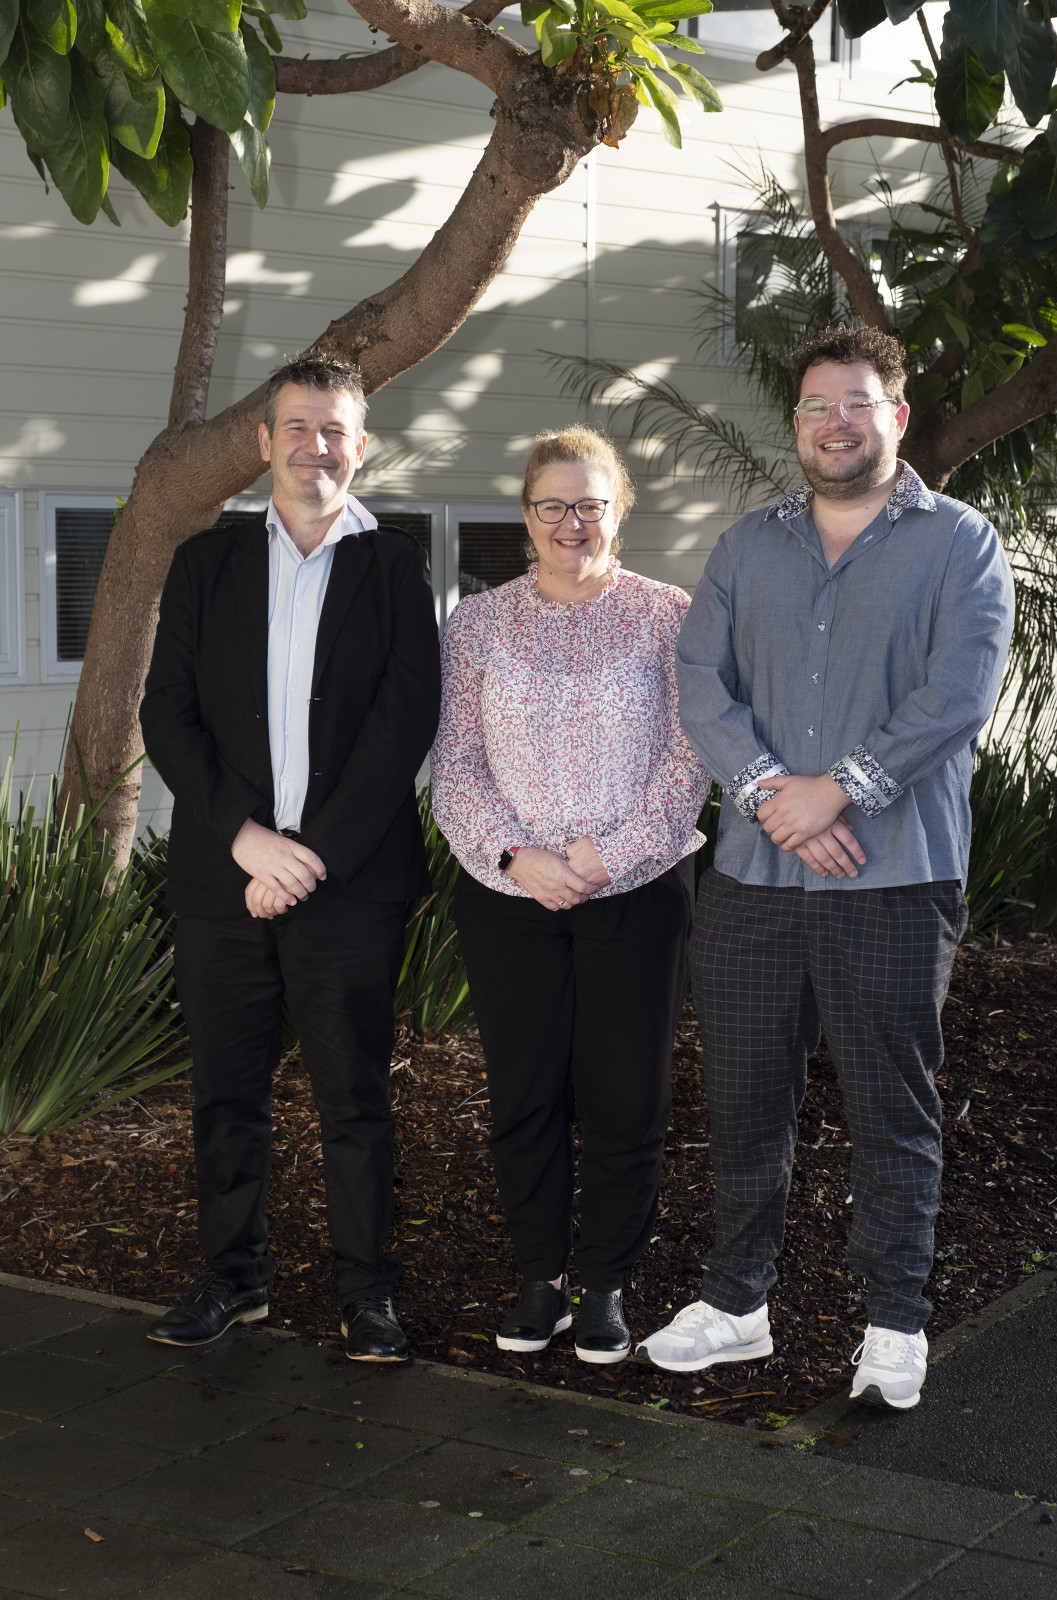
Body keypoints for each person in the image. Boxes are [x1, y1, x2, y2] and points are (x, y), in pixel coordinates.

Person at [636, 326, 1014, 1409]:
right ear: (795, 423)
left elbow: (956, 692)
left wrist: (839, 788)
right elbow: (699, 680)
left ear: (896, 416)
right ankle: (736, 1303)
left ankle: (894, 1320)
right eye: (816, 406)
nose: (835, 423)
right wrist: (773, 795)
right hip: (753, 883)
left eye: (857, 403)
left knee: (892, 1108)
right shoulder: (745, 547)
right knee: (745, 1100)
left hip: (894, 878)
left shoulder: (960, 543)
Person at [139, 354, 440, 1361]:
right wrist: (248, 841)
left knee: (354, 1097)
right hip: (224, 883)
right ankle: (233, 1280)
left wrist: (310, 857)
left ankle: (368, 1297)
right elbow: (166, 714)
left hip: (349, 887)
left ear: (362, 446)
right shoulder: (206, 563)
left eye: (335, 430)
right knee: (227, 1094)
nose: (317, 446)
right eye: (299, 427)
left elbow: (405, 722)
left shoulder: (393, 565)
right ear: (265, 441)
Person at [430, 426, 710, 1364]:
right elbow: (454, 766)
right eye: (552, 505)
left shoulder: (668, 615)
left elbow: (689, 760)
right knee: (525, 1092)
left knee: (626, 1095)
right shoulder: (476, 624)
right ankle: (539, 1279)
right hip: (508, 894)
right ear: (525, 515)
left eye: (589, 504)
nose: (571, 522)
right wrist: (518, 856)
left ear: (618, 510)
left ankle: (605, 1285)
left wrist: (605, 857)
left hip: (636, 891)